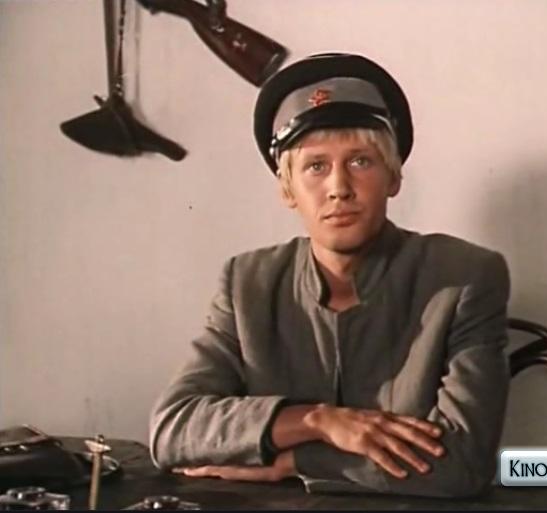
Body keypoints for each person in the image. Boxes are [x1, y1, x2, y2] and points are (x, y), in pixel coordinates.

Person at [149, 53, 511, 498]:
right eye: (316, 166)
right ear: (288, 189)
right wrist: (318, 421)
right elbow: (173, 428)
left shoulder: (465, 276)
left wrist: (293, 460)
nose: (339, 188)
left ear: (393, 177)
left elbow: (463, 464)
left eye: (360, 162)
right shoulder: (247, 283)